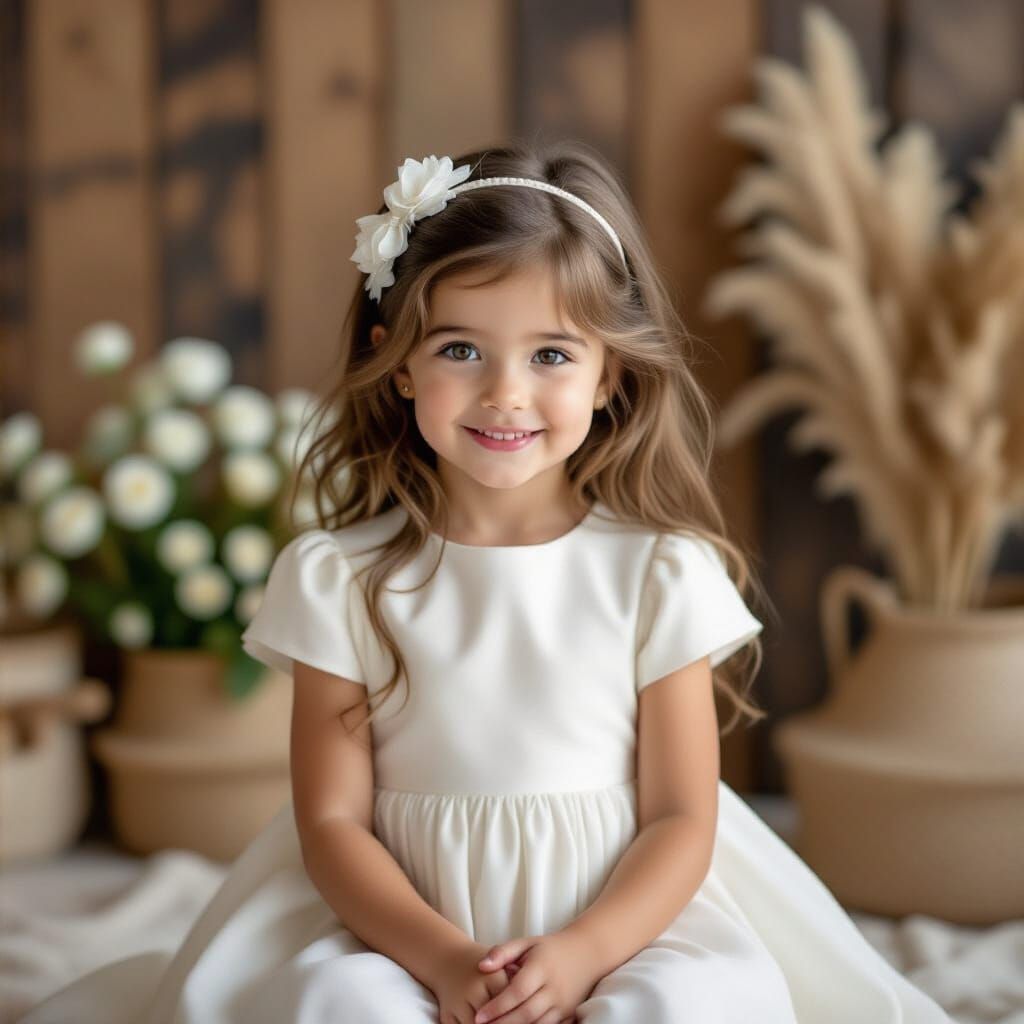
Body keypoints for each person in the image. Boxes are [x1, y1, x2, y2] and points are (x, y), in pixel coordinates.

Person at [21, 142, 954, 1024]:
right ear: (399, 363)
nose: (506, 392)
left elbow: (679, 814)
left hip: (624, 919)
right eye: (462, 349)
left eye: (551, 354)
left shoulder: (657, 570)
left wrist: (585, 952)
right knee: (339, 1006)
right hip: (397, 924)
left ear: (608, 376)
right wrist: (441, 960)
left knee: (688, 1006)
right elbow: (335, 820)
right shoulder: (342, 577)